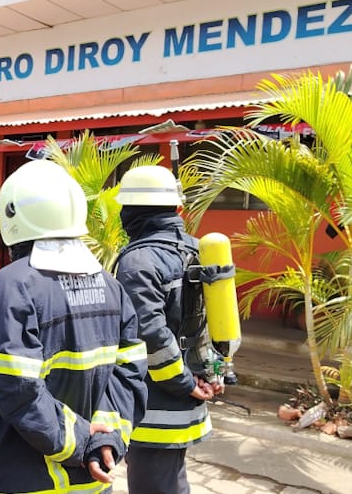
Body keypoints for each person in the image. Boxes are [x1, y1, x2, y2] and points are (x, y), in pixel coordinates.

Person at [0, 159, 148, 493]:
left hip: (18, 480)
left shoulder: (12, 285)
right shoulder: (111, 286)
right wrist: (105, 440)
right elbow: (130, 375)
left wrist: (82, 442)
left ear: (12, 215)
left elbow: (19, 390)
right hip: (92, 482)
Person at [114, 165, 223, 494]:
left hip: (156, 405)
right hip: (191, 390)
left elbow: (149, 335)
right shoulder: (197, 249)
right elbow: (211, 320)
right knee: (171, 481)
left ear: (133, 210)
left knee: (155, 484)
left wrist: (184, 383)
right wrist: (212, 372)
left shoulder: (139, 261)